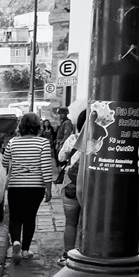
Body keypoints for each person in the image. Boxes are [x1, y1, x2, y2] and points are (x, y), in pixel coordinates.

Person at [2, 112, 55, 264]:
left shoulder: (13, 142)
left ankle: (15, 242)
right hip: (35, 187)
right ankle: (25, 250)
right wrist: (49, 188)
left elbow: (4, 162)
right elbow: (46, 167)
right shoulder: (43, 143)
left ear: (21, 126)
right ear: (38, 126)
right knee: (29, 217)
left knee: (15, 217)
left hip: (16, 185)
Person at [56, 109, 87, 267]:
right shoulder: (101, 142)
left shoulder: (73, 139)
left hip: (71, 184)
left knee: (70, 223)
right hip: (90, 187)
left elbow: (61, 157)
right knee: (87, 224)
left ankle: (67, 255)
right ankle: (85, 255)